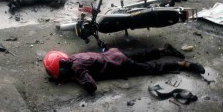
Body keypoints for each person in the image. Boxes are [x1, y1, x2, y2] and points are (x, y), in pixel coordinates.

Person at [43, 45, 205, 94]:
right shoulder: (75, 57)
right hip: (114, 53)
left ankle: (182, 64)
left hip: (120, 66)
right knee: (142, 52)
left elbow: (91, 86)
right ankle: (163, 50)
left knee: (150, 68)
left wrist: (75, 79)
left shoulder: (76, 68)